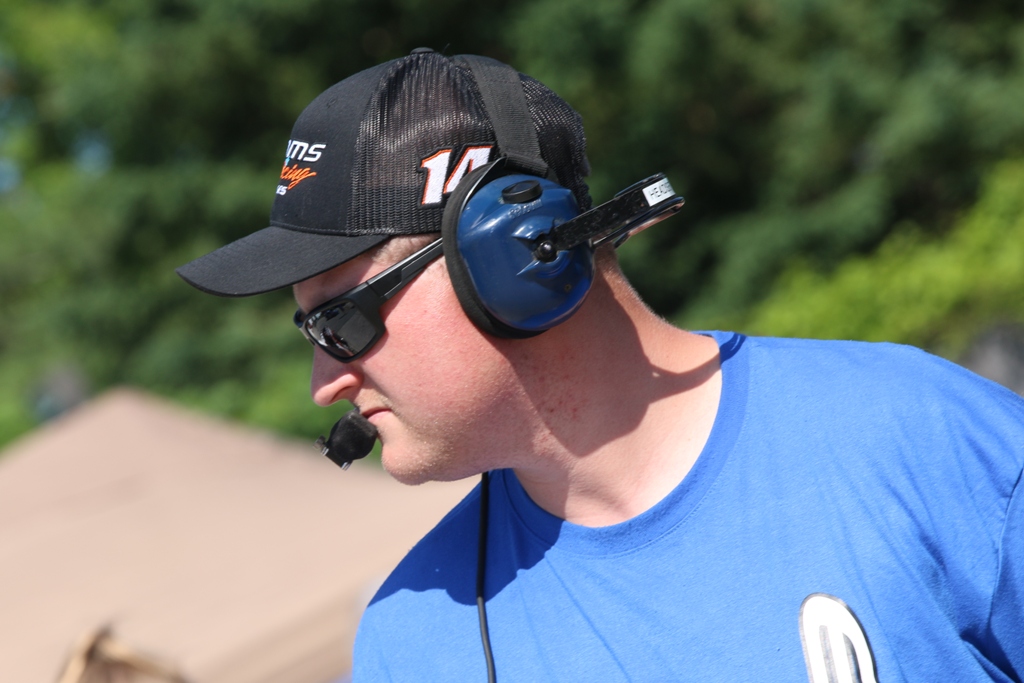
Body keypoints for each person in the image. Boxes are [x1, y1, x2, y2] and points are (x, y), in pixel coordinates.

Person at [177, 49, 1024, 683]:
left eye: (342, 320)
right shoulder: (413, 645)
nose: (324, 383)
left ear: (517, 250)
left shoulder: (922, 438)